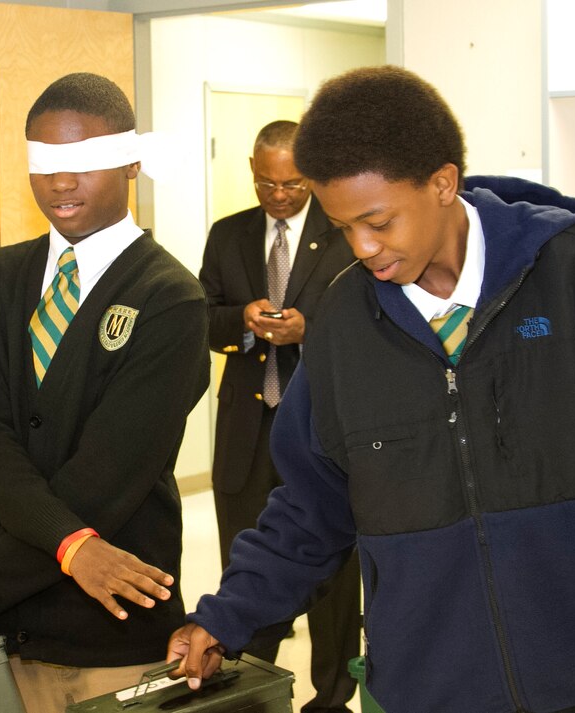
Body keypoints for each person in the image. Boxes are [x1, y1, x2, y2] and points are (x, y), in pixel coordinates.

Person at [168, 66, 575, 713]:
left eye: (379, 220)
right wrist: (226, 614)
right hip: (437, 689)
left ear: (442, 183)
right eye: (343, 227)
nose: (363, 248)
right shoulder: (344, 328)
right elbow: (311, 504)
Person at [0, 73, 209, 711]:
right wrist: (71, 547)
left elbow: (105, 481)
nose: (61, 182)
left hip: (109, 632)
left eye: (83, 163)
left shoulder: (171, 299)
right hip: (2, 633)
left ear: (132, 161)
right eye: (45, 163)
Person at [199, 120, 359, 712]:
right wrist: (242, 320)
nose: (280, 194)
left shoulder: (345, 232)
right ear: (252, 171)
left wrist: (306, 332)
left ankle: (333, 696)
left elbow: (367, 327)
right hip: (246, 427)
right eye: (268, 183)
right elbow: (201, 316)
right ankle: (253, 688)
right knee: (245, 558)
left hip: (320, 430)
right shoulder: (229, 235)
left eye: (292, 183)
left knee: (334, 575)